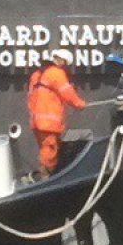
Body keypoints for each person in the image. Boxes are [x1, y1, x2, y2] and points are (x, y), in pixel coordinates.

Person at [25, 47, 87, 176]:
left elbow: (30, 98)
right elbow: (68, 93)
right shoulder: (56, 73)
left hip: (36, 122)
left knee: (45, 148)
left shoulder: (36, 75)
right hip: (49, 122)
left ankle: (45, 175)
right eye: (65, 63)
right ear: (62, 60)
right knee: (50, 150)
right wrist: (80, 104)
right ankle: (45, 177)